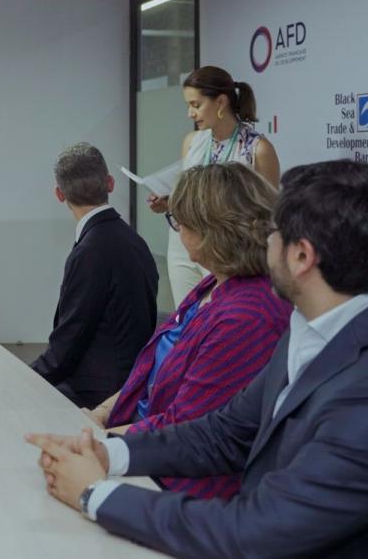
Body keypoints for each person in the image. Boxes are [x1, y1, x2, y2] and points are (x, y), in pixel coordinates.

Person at [29, 160, 368, 558]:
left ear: (300, 257)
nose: (261, 238)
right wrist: (108, 453)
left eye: (272, 231)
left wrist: (93, 493)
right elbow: (224, 433)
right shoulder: (323, 326)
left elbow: (255, 536)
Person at [82, 162, 291, 499]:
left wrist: (97, 446)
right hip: (139, 445)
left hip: (178, 479)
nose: (176, 230)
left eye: (178, 221)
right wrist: (99, 414)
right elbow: (149, 374)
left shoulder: (248, 315)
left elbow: (186, 429)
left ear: (211, 231)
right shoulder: (213, 284)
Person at [29, 144, 158, 409]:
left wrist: (23, 379)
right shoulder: (135, 241)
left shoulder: (90, 251)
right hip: (135, 383)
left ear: (59, 194)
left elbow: (68, 343)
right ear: (110, 184)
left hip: (97, 394)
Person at [147, 66, 280, 307]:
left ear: (221, 102)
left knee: (221, 317)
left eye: (196, 105)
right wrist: (168, 203)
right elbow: (189, 196)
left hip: (228, 249)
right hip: (183, 242)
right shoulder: (192, 142)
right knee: (186, 317)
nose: (190, 113)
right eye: (188, 105)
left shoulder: (257, 149)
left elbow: (268, 215)